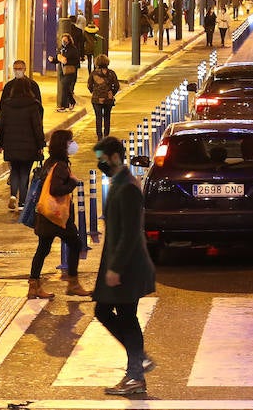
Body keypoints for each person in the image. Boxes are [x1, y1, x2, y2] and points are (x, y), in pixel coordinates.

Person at [93, 135, 158, 397]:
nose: (100, 164)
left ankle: (136, 375)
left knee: (126, 318)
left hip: (128, 267)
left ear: (114, 157)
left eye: (102, 158)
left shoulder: (128, 187)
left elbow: (131, 233)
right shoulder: (119, 182)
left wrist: (116, 268)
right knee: (105, 312)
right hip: (119, 264)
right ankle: (138, 361)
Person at [27, 129, 88, 300]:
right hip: (58, 217)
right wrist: (72, 183)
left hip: (46, 215)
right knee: (75, 244)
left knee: (43, 249)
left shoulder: (50, 162)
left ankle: (34, 286)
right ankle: (73, 283)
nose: (73, 145)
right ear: (63, 145)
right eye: (70, 142)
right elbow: (55, 189)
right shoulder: (60, 166)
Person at [0, 60, 46, 213]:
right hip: (29, 143)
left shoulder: (7, 103)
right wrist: (40, 144)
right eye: (16, 69)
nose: (17, 71)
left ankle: (13, 195)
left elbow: (1, 121)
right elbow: (38, 123)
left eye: (20, 69)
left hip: (11, 142)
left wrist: (0, 141)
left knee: (15, 170)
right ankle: (23, 202)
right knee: (24, 171)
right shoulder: (32, 104)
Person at [89, 55, 121, 141]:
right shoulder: (111, 73)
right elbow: (117, 86)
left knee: (98, 118)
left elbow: (89, 85)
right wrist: (111, 93)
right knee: (107, 117)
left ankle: (99, 137)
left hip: (96, 99)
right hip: (108, 99)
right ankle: (106, 136)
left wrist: (94, 92)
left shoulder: (93, 73)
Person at [57, 32, 81, 114]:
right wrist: (53, 60)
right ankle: (72, 101)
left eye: (65, 40)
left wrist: (67, 61)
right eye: (62, 40)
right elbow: (58, 59)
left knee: (64, 87)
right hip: (62, 71)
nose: (63, 41)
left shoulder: (73, 49)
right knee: (65, 88)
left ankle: (63, 106)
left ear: (69, 40)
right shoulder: (61, 49)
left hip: (70, 71)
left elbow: (77, 61)